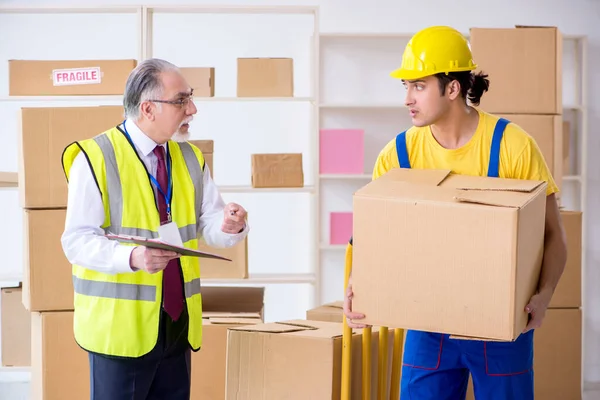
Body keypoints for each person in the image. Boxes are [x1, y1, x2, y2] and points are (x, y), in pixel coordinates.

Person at [342, 26, 568, 400]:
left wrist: (544, 296)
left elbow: (553, 235)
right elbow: (371, 237)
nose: (407, 99)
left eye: (418, 86)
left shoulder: (512, 146)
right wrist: (356, 283)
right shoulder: (398, 155)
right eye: (406, 86)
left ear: (452, 89)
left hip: (500, 328)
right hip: (426, 325)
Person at [60, 58, 249, 400]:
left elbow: (209, 225)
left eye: (189, 98)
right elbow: (76, 241)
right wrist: (133, 257)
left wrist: (231, 226)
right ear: (147, 108)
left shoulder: (191, 157)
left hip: (176, 326)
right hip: (120, 331)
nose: (191, 108)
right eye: (181, 100)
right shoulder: (96, 157)